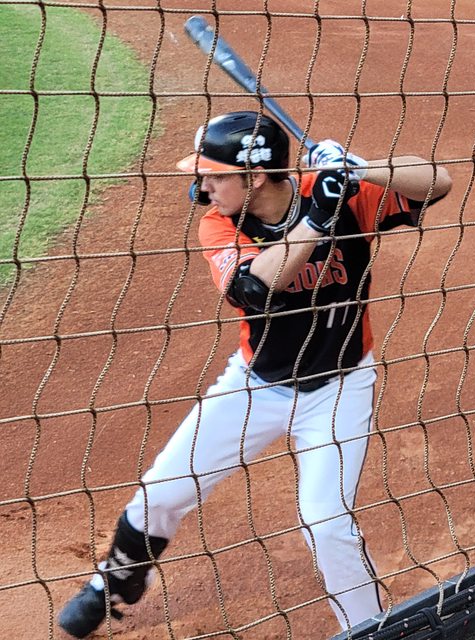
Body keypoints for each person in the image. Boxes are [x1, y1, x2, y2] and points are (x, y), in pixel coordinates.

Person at [58, 111, 452, 638]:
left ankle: (369, 630)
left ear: (257, 176)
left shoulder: (336, 191)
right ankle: (117, 580)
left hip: (340, 387)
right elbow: (254, 290)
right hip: (255, 385)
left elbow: (437, 181)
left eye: (213, 175)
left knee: (326, 523)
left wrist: (359, 169)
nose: (202, 187)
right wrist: (318, 218)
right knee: (162, 491)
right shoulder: (221, 222)